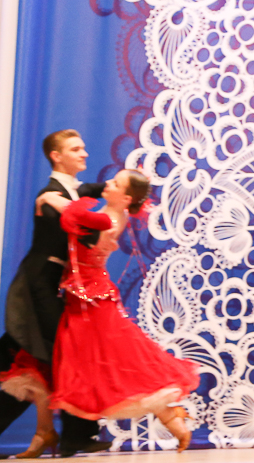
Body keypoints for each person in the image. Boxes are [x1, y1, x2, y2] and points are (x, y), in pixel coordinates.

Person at [31, 170, 198, 450]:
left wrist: (47, 197)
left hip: (91, 299)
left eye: (116, 183)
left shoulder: (106, 220)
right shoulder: (110, 215)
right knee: (114, 361)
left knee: (114, 362)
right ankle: (172, 419)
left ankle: (169, 418)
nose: (107, 183)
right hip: (86, 295)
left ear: (126, 198)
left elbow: (71, 212)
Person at [0, 131, 107, 458]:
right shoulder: (49, 195)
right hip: (36, 286)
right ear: (56, 156)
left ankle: (73, 435)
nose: (84, 153)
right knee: (65, 352)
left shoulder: (70, 191)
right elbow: (85, 230)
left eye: (84, 147)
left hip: (48, 286)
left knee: (25, 362)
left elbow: (99, 189)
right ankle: (76, 435)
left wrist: (128, 184)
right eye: (76, 149)